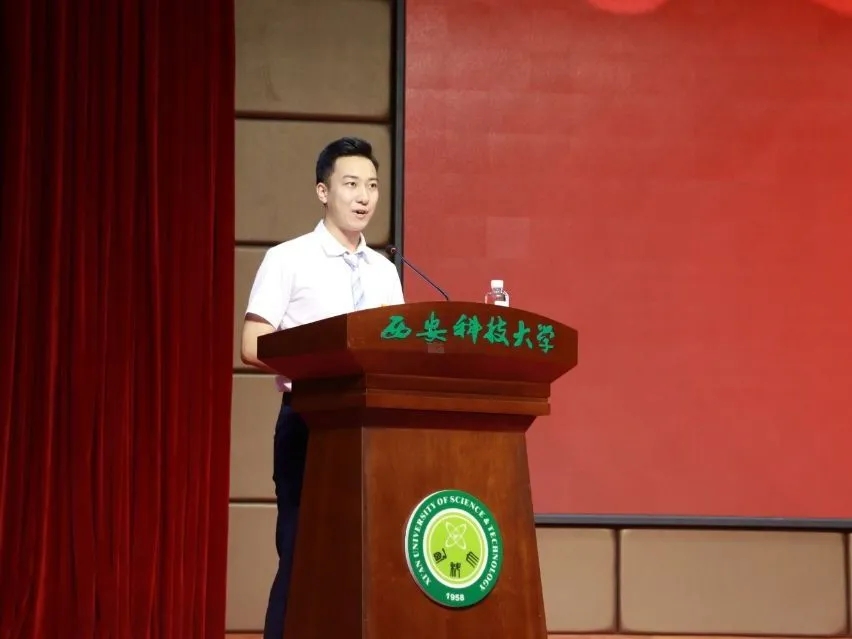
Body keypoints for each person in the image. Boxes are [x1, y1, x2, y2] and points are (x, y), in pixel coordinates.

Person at [239, 137, 405, 639]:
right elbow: (253, 342)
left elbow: (395, 349)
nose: (364, 197)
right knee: (301, 556)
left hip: (371, 430)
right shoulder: (289, 258)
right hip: (310, 420)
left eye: (372, 185)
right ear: (322, 191)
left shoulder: (384, 271)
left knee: (365, 559)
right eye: (351, 184)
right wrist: (323, 364)